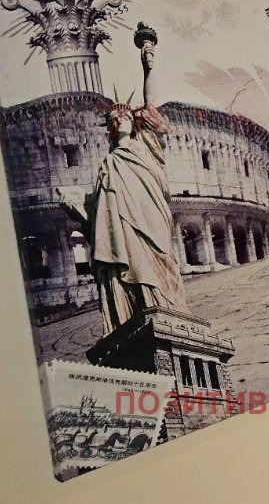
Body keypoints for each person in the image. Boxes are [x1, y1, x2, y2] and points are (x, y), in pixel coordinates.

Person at [89, 23, 187, 333]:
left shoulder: (146, 146)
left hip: (152, 216)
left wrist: (148, 68)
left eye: (126, 116)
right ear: (110, 128)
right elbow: (98, 217)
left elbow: (151, 105)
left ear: (135, 123)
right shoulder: (108, 164)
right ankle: (139, 310)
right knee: (134, 263)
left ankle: (169, 306)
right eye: (114, 119)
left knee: (161, 261)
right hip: (125, 229)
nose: (121, 120)